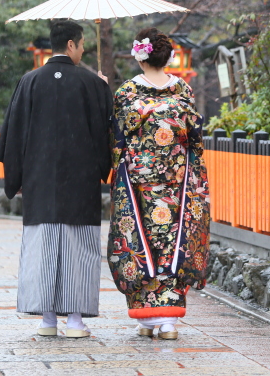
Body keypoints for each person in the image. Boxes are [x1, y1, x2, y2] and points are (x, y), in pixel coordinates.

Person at [0, 20, 113, 338]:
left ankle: (47, 320)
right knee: (79, 247)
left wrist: (15, 177)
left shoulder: (29, 81)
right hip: (81, 181)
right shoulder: (91, 83)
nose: (84, 48)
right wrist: (103, 90)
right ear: (71, 45)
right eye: (83, 43)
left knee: (42, 245)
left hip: (40, 179)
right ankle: (75, 320)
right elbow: (105, 136)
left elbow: (15, 134)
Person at [108, 27, 210, 340]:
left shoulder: (126, 92)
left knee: (139, 241)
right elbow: (196, 139)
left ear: (140, 57)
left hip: (139, 183)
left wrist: (117, 168)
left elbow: (117, 140)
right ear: (166, 57)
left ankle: (146, 318)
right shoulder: (183, 90)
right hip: (176, 181)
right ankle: (168, 322)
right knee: (173, 239)